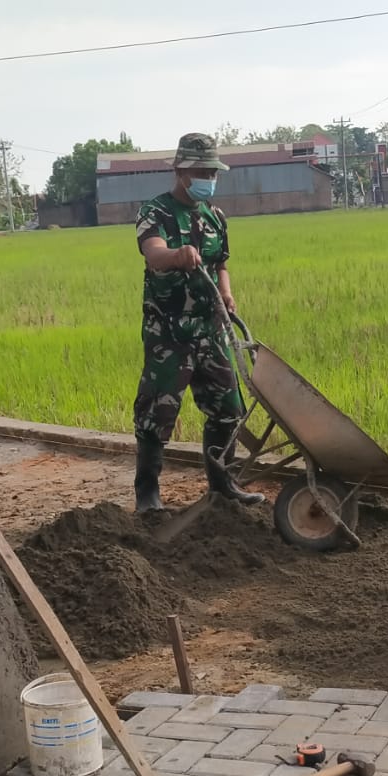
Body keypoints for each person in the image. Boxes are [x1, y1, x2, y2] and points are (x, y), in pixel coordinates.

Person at [132, 133, 264, 513]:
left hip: (211, 329)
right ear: (180, 170)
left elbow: (221, 263)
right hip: (169, 332)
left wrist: (226, 291)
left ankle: (223, 487)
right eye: (201, 171)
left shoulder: (215, 216)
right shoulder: (154, 211)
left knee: (229, 408)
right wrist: (177, 254)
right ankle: (147, 495)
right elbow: (154, 254)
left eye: (212, 171)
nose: (208, 177)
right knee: (157, 411)